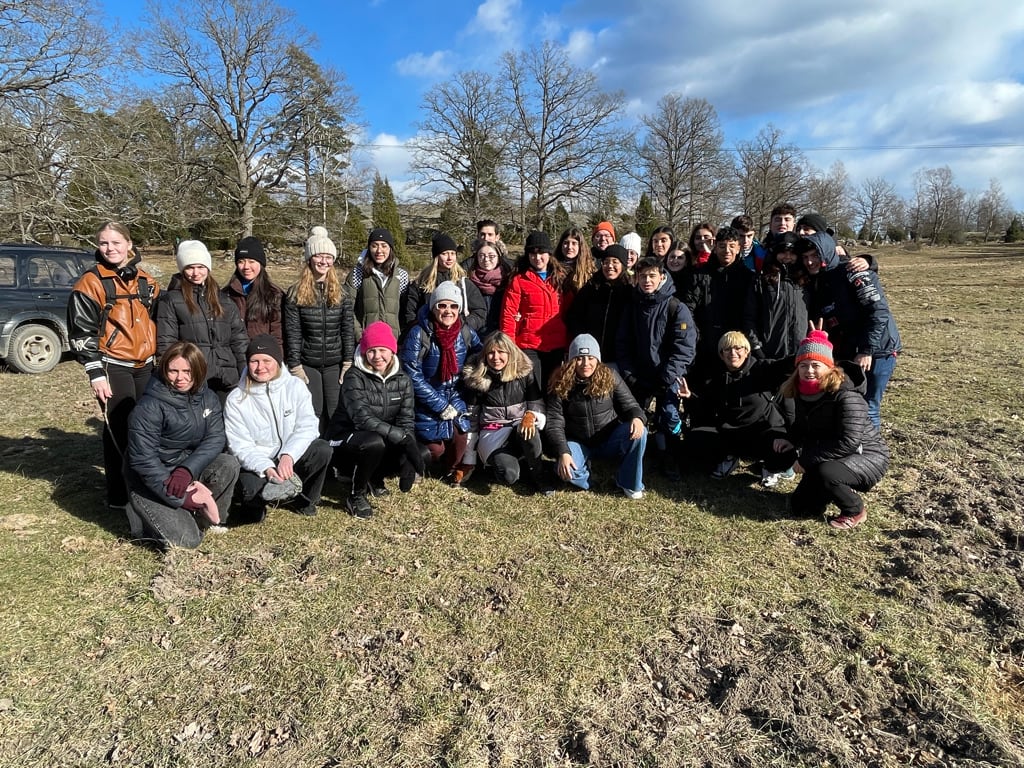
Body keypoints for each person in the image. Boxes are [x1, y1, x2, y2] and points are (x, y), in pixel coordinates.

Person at [68, 221, 160, 514]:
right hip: (113, 363)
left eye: (116, 243)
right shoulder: (90, 282)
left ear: (129, 245)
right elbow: (81, 332)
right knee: (119, 427)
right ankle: (119, 495)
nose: (110, 249)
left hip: (145, 364)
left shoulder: (146, 281)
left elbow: (158, 320)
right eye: (104, 243)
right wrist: (95, 372)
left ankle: (146, 484)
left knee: (146, 426)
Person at [125, 341, 240, 547]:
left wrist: (186, 470)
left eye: (188, 371)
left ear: (199, 370)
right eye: (173, 371)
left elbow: (215, 438)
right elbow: (143, 461)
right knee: (188, 542)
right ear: (164, 370)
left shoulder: (208, 397)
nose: (180, 378)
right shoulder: (148, 407)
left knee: (228, 464)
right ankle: (138, 512)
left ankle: (207, 520)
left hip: (184, 470)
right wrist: (179, 498)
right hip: (152, 482)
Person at [773, 329, 889, 529]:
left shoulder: (847, 395)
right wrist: (790, 439)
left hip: (866, 455)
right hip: (831, 453)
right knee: (801, 508)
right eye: (803, 365)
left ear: (829, 367)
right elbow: (803, 425)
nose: (809, 371)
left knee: (826, 473)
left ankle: (854, 509)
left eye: (815, 365)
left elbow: (849, 441)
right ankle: (831, 490)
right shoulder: (802, 391)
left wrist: (806, 460)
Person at [796, 232, 901, 428]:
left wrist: (866, 350)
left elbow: (878, 312)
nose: (810, 262)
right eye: (805, 257)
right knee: (847, 404)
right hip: (848, 350)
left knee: (868, 407)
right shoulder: (820, 280)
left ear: (826, 253)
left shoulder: (854, 271)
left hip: (877, 351)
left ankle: (871, 453)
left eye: (815, 256)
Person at [224, 334, 332, 520]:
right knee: (251, 505)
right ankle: (265, 499)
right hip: (259, 462)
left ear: (278, 361)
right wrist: (266, 467)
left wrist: (288, 456)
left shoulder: (295, 386)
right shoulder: (236, 399)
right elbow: (239, 445)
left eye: (267, 360)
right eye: (254, 361)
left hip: (289, 457)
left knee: (322, 449)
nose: (260, 367)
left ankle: (304, 498)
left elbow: (308, 425)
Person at [326, 322, 424, 518]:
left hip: (378, 436)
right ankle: (356, 495)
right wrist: (400, 437)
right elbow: (361, 418)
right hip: (344, 438)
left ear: (392, 351)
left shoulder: (403, 379)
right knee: (374, 442)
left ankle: (375, 477)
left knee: (422, 452)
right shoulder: (354, 376)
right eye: (371, 351)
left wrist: (409, 457)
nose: (377, 356)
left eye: (382, 350)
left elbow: (406, 421)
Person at [617, 257, 697, 478]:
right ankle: (637, 453)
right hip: (638, 375)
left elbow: (684, 348)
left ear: (662, 277)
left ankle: (669, 454)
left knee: (669, 415)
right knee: (635, 415)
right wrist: (630, 375)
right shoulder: (632, 306)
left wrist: (667, 377)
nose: (647, 280)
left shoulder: (675, 307)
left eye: (652, 275)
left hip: (667, 377)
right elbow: (622, 343)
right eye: (642, 276)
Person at [684, 332, 795, 486]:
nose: (733, 353)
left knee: (784, 452)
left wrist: (810, 346)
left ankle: (768, 467)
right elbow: (707, 405)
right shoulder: (716, 377)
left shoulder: (761, 369)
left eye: (738, 348)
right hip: (731, 433)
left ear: (747, 351)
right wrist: (690, 396)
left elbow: (785, 366)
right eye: (727, 349)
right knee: (694, 440)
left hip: (762, 431)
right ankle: (729, 459)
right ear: (721, 355)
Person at [546, 334, 648, 499]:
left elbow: (631, 406)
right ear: (571, 360)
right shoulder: (560, 381)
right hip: (578, 442)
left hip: (608, 439)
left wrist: (637, 417)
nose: (586, 364)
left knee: (640, 432)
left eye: (590, 358)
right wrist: (563, 452)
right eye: (579, 358)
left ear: (597, 359)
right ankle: (590, 479)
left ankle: (629, 483)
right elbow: (554, 421)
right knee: (566, 471)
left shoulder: (611, 375)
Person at [401, 282, 482, 485]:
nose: (448, 311)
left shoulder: (465, 333)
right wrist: (440, 405)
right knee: (434, 450)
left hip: (455, 395)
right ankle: (416, 462)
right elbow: (412, 374)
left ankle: (451, 471)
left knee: (461, 437)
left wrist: (472, 375)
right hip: (425, 398)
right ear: (433, 307)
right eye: (442, 306)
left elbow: (481, 354)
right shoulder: (419, 333)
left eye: (453, 306)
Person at [157, 240, 248, 401]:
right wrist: (176, 376)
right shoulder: (171, 300)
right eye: (190, 267)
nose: (196, 273)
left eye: (200, 267)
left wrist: (245, 374)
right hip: (194, 377)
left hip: (227, 377)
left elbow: (239, 341)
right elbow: (166, 343)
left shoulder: (224, 300)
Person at [283, 227, 355, 431]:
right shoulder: (295, 293)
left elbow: (347, 329)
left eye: (328, 257)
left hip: (335, 363)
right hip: (308, 363)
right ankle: (314, 457)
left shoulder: (341, 293)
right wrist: (295, 365)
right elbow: (293, 332)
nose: (324, 261)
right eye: (318, 256)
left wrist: (347, 362)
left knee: (335, 412)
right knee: (313, 413)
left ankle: (336, 458)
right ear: (309, 258)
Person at [461, 332, 552, 494]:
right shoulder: (477, 377)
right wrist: (469, 459)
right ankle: (510, 465)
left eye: (501, 352)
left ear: (510, 353)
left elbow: (537, 405)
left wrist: (532, 416)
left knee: (529, 431)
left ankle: (539, 476)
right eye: (491, 352)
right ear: (485, 355)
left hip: (519, 427)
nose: (496, 357)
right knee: (509, 476)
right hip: (492, 433)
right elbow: (472, 419)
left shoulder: (524, 371)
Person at [683, 226, 754, 382]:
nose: (726, 250)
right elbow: (688, 309)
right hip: (704, 345)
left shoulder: (748, 278)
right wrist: (696, 336)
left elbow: (751, 313)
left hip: (736, 347)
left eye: (731, 246)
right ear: (715, 248)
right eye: (722, 246)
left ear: (738, 248)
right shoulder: (700, 275)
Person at [500, 230, 568, 385]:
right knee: (533, 387)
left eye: (541, 252)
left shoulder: (560, 278)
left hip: (556, 343)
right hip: (529, 344)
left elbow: (567, 312)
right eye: (532, 253)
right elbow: (508, 315)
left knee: (553, 388)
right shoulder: (519, 280)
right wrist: (509, 347)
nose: (537, 258)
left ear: (549, 254)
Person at [565, 244, 633, 371]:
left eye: (615, 262)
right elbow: (573, 316)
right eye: (606, 262)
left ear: (623, 265)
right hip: (591, 358)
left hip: (619, 359)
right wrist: (584, 338)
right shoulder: (591, 287)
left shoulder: (630, 291)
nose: (610, 266)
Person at [743, 234, 809, 361]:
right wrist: (756, 347)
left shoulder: (805, 281)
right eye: (783, 253)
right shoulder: (761, 280)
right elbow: (749, 316)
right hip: (769, 353)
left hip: (801, 355)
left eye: (792, 253)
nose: (787, 257)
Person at [403, 233, 486, 332]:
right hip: (428, 337)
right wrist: (423, 330)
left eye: (453, 253)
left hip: (457, 339)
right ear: (436, 256)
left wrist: (462, 326)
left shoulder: (463, 283)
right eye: (445, 253)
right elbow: (409, 314)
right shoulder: (421, 283)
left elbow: (480, 312)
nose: (450, 258)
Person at [222, 236, 285, 346]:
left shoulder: (275, 294)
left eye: (251, 261)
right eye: (241, 261)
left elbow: (278, 334)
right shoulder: (225, 295)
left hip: (263, 358)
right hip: (234, 358)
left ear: (260, 264)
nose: (246, 266)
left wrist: (277, 359)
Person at [347, 227, 410, 339]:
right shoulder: (358, 273)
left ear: (390, 248)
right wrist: (360, 336)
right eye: (374, 245)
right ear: (369, 248)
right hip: (365, 340)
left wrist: (400, 338)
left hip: (392, 342)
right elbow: (348, 310)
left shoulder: (402, 276)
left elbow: (406, 311)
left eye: (384, 246)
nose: (379, 250)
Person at [465, 238, 512, 336]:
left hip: (503, 334)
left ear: (498, 257)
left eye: (491, 256)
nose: (486, 259)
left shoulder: (509, 280)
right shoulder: (467, 282)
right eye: (481, 256)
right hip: (475, 334)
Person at [555, 226, 597, 300]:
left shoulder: (589, 270)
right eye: (566, 243)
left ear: (580, 246)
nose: (569, 247)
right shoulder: (552, 267)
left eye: (574, 243)